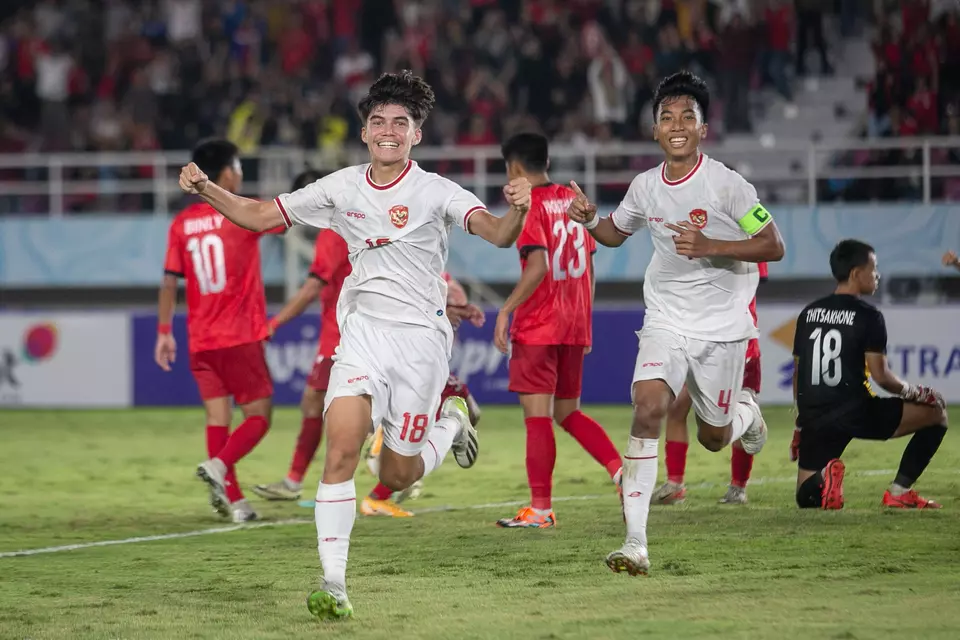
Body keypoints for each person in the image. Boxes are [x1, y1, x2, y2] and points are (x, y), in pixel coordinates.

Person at [177, 70, 532, 620]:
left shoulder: (437, 191)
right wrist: (207, 189)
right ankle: (334, 583)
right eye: (378, 122)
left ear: (416, 134)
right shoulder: (340, 187)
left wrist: (521, 210)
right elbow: (258, 215)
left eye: (401, 123)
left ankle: (452, 423)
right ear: (365, 133)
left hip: (420, 345)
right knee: (340, 449)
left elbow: (499, 233)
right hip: (362, 335)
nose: (388, 131)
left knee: (396, 475)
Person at [565, 70, 785, 576]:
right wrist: (590, 219)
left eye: (689, 116)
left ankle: (749, 417)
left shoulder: (729, 185)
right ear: (656, 130)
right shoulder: (645, 187)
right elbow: (616, 235)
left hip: (723, 327)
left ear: (703, 129)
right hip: (665, 317)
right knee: (648, 407)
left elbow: (774, 244)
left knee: (714, 436)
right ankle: (635, 543)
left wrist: (713, 247)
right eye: (667, 117)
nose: (678, 124)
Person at [492, 132, 623, 529]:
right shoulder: (574, 200)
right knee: (568, 412)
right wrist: (585, 319)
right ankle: (621, 472)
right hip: (574, 321)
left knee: (538, 417)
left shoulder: (528, 205)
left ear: (514, 168)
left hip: (539, 325)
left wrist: (505, 311)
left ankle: (541, 508)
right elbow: (592, 265)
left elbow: (538, 266)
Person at [157, 138, 277, 524]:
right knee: (259, 417)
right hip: (239, 335)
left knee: (218, 418)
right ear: (226, 174)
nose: (241, 174)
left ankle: (237, 503)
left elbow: (169, 280)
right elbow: (277, 220)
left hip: (200, 339)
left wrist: (164, 331)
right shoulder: (240, 215)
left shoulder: (181, 223)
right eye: (239, 168)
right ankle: (221, 465)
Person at [792, 239, 947, 510]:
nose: (877, 275)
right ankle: (900, 491)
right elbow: (881, 376)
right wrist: (920, 392)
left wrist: (800, 424)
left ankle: (827, 480)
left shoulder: (809, 313)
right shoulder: (868, 315)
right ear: (855, 273)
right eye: (873, 268)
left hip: (815, 416)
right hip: (857, 410)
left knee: (807, 497)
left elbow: (798, 375)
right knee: (937, 415)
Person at [652, 263, 768, 506]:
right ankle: (674, 485)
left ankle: (738, 486)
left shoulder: (747, 234)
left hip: (736, 344)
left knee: (732, 416)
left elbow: (750, 278)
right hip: (699, 341)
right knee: (677, 407)